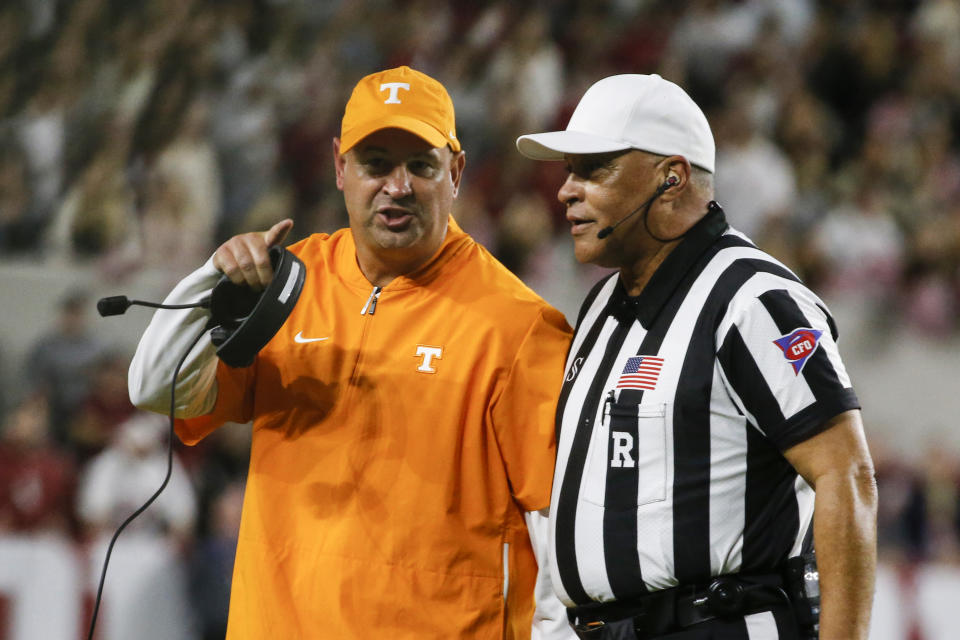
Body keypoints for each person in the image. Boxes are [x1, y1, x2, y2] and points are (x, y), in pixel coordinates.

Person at [128, 65, 574, 639]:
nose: (398, 186)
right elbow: (157, 391)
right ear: (340, 167)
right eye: (376, 164)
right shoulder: (288, 287)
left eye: (421, 165)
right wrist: (208, 283)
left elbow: (563, 534)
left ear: (456, 172)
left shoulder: (517, 327)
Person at [515, 74, 877, 640]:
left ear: (671, 178)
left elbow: (846, 477)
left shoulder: (753, 300)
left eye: (593, 169)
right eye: (568, 170)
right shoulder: (602, 304)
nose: (566, 190)